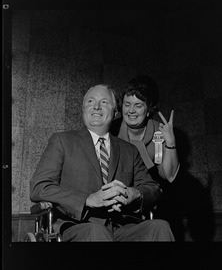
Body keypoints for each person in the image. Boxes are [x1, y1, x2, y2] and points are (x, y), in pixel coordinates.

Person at [30, 84, 175, 241]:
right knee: (97, 232)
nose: (97, 107)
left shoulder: (129, 150)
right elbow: (39, 187)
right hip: (78, 225)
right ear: (83, 109)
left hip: (122, 227)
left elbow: (153, 188)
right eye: (90, 101)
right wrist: (88, 200)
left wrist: (135, 194)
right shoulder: (62, 141)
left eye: (104, 102)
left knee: (160, 227)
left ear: (115, 112)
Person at [110, 75, 180, 223]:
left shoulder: (158, 131)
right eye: (127, 104)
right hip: (115, 199)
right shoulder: (112, 129)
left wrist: (170, 142)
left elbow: (169, 176)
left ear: (148, 109)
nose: (131, 110)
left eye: (138, 105)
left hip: (149, 201)